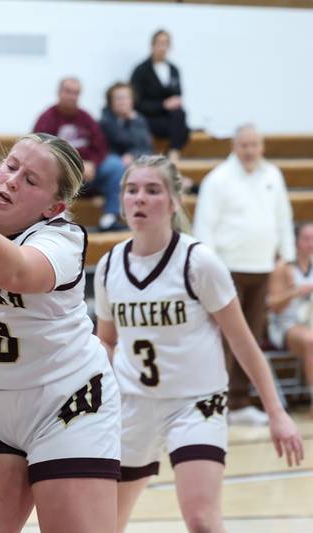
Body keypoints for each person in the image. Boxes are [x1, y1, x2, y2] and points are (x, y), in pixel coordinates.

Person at [0, 133, 121, 532]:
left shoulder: (61, 240)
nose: (11, 180)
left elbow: (14, 272)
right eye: (11, 166)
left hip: (67, 405)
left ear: (55, 206)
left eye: (31, 180)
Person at [94, 155, 304, 533]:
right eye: (132, 190)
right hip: (132, 403)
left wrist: (276, 413)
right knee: (106, 521)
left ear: (174, 201)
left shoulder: (198, 262)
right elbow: (105, 342)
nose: (140, 198)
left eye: (153, 190)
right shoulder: (109, 265)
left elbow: (244, 343)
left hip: (195, 403)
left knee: (202, 521)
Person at [193, 124, 295, 425]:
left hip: (262, 268)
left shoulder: (273, 176)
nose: (250, 150)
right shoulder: (218, 179)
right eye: (244, 145)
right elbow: (205, 225)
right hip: (228, 270)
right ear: (234, 147)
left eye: (254, 145)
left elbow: (283, 217)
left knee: (251, 338)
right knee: (224, 338)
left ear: (261, 146)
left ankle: (239, 403)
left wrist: (286, 258)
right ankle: (216, 402)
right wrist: (206, 268)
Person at [32, 77, 126, 231]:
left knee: (115, 165)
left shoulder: (85, 118)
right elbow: (40, 150)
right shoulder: (47, 119)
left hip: (88, 174)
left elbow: (101, 146)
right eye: (68, 91)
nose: (71, 96)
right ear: (59, 92)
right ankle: (57, 219)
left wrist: (92, 164)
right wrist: (77, 166)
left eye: (76, 93)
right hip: (62, 176)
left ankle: (109, 218)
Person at [267, 222, 313, 417]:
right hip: (285, 324)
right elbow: (272, 305)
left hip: (309, 320)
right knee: (311, 340)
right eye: (307, 239)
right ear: (295, 241)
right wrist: (294, 292)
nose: (311, 243)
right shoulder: (283, 267)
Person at [130, 29, 190, 162]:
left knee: (180, 114)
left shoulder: (173, 69)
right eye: (159, 43)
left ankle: (173, 151)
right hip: (149, 118)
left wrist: (175, 102)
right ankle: (173, 154)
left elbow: (177, 93)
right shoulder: (141, 71)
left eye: (166, 43)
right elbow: (137, 103)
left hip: (170, 118)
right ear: (152, 45)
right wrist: (162, 105)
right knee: (182, 128)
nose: (162, 47)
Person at [99, 82, 153, 167]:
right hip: (114, 161)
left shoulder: (139, 119)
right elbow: (122, 140)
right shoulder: (106, 121)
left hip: (135, 159)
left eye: (126, 98)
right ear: (110, 102)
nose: (123, 102)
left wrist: (133, 155)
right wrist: (134, 122)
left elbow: (147, 147)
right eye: (118, 98)